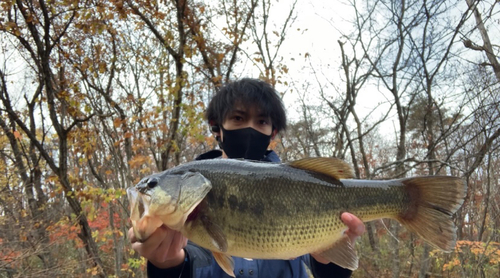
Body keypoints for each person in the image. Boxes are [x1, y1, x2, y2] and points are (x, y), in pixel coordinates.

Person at [128, 78, 366, 277]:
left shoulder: (297, 185)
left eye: (261, 121)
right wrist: (167, 264)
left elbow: (321, 267)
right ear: (216, 127)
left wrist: (330, 256)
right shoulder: (192, 194)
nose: (250, 128)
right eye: (238, 118)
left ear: (272, 132)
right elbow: (192, 257)